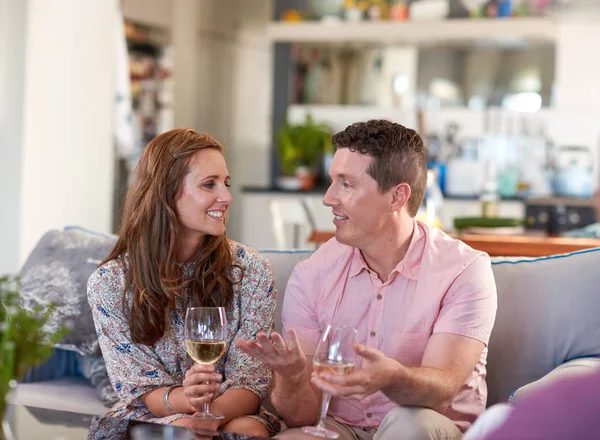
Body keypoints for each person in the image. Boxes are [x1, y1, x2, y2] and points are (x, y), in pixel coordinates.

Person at [237, 120, 498, 439]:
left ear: (397, 197)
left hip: (427, 425)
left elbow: (441, 391)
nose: (329, 198)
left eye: (346, 184)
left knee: (408, 425)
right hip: (340, 428)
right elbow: (303, 415)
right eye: (333, 181)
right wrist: (291, 378)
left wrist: (393, 378)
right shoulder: (312, 275)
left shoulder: (463, 270)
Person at [87, 128, 280, 437]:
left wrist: (208, 417)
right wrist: (186, 404)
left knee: (246, 430)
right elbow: (139, 389)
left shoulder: (251, 270)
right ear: (165, 193)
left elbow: (251, 381)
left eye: (226, 184)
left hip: (233, 410)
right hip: (156, 413)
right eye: (209, 184)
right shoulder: (110, 283)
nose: (227, 197)